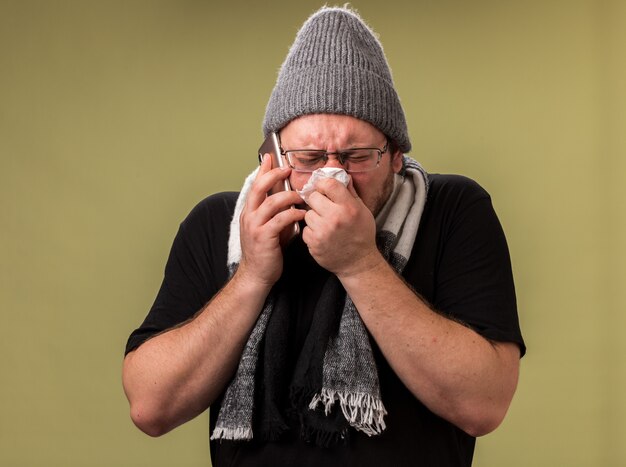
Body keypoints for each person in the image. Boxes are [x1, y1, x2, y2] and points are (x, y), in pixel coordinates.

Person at [122, 6, 525, 467]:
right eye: (309, 157)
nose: (334, 177)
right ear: (271, 156)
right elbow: (150, 407)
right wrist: (253, 275)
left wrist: (361, 264)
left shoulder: (452, 210)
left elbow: (484, 404)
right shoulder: (220, 224)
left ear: (396, 154)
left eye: (357, 155)